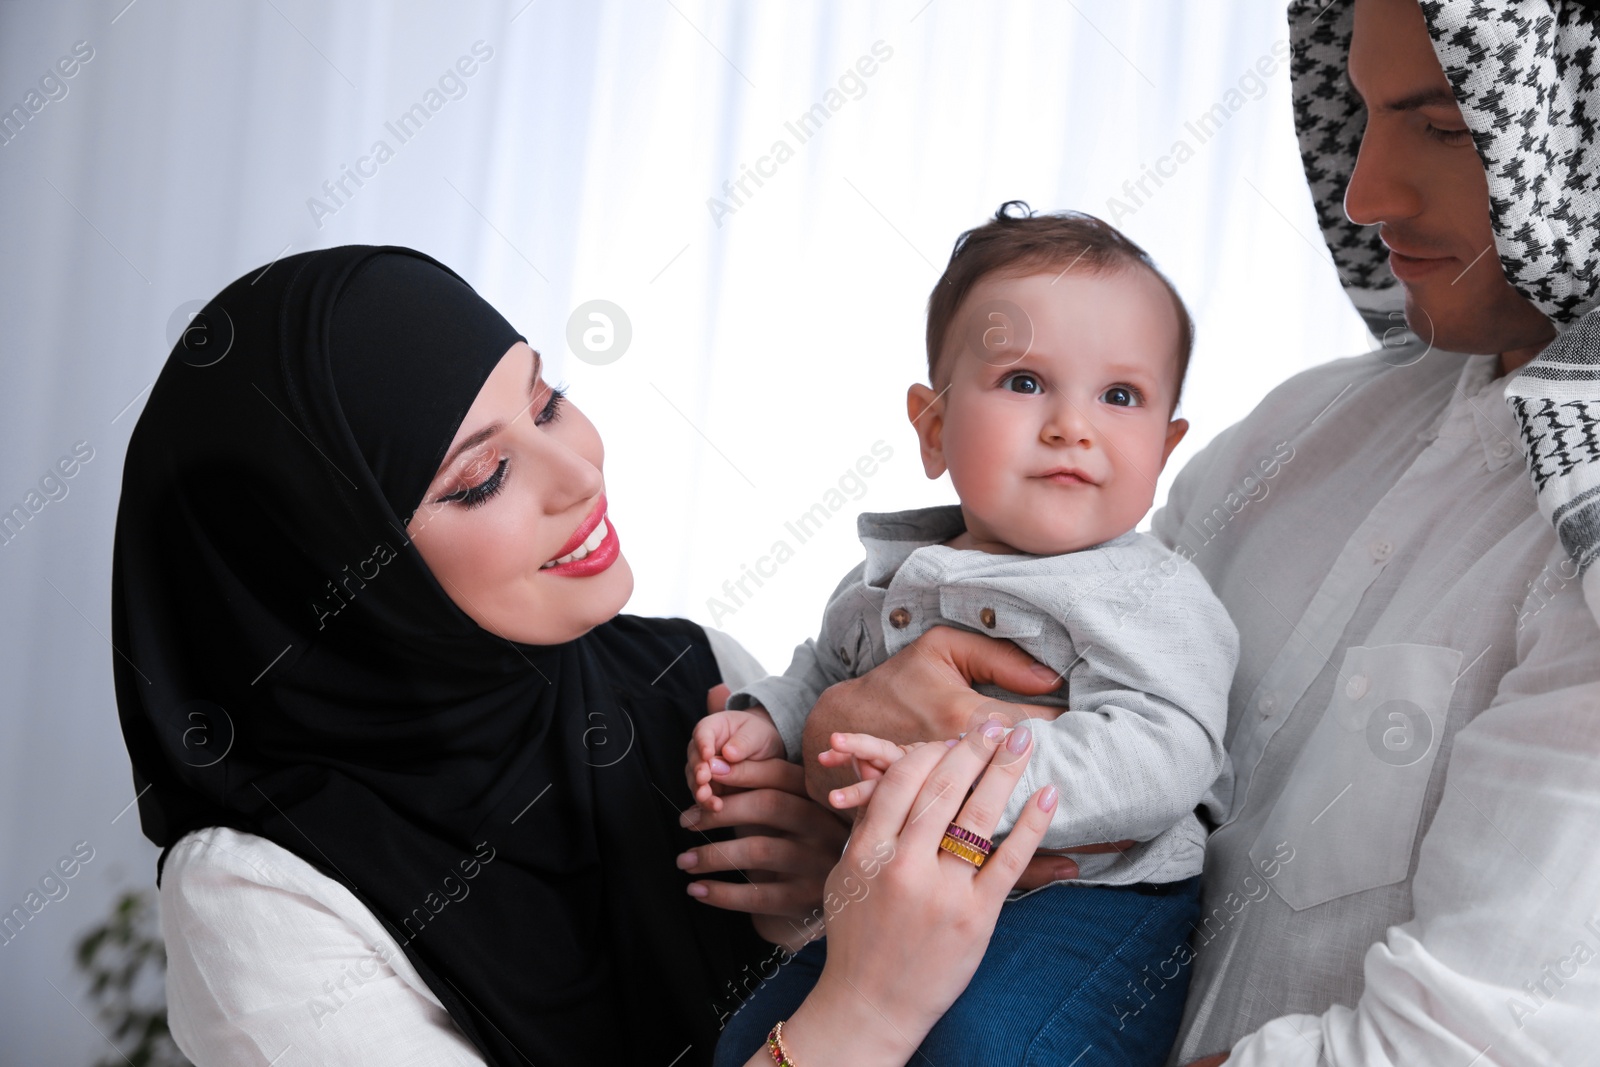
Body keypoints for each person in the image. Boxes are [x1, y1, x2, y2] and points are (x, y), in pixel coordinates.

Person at [748, 0, 1600, 1063]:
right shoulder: (1295, 434)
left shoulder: (1588, 552)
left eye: (1441, 127)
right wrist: (839, 754)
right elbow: (1078, 667)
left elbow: (1466, 1045)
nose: (1362, 190)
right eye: (1365, 113)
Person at [111, 247, 859, 1066]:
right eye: (482, 477)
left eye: (548, 405)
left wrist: (834, 896)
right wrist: (871, 992)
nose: (580, 473)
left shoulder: (698, 674)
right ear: (335, 569)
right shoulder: (259, 892)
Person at [697, 205, 1240, 1066]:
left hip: (1091, 901)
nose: (1073, 423)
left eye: (1121, 395)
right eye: (1025, 382)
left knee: (982, 1046)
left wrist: (964, 778)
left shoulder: (1148, 591)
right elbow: (825, 667)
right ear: (934, 425)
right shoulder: (890, 572)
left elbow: (1167, 748)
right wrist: (764, 716)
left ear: (1166, 445)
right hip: (893, 890)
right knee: (749, 1042)